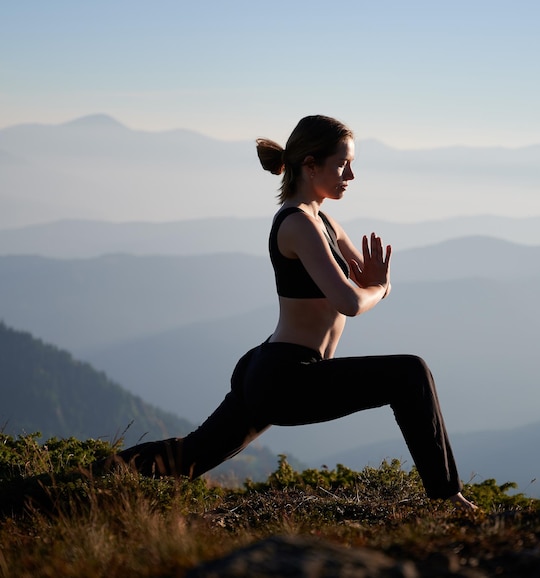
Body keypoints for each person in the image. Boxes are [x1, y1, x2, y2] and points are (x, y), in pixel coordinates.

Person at [106, 115, 477, 510]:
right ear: (310, 165)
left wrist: (375, 284)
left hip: (274, 368)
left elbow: (364, 283)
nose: (350, 175)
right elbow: (351, 302)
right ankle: (448, 497)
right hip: (287, 378)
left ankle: (65, 484)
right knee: (410, 374)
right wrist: (378, 287)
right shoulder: (298, 224)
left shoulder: (324, 221)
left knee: (187, 458)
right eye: (342, 164)